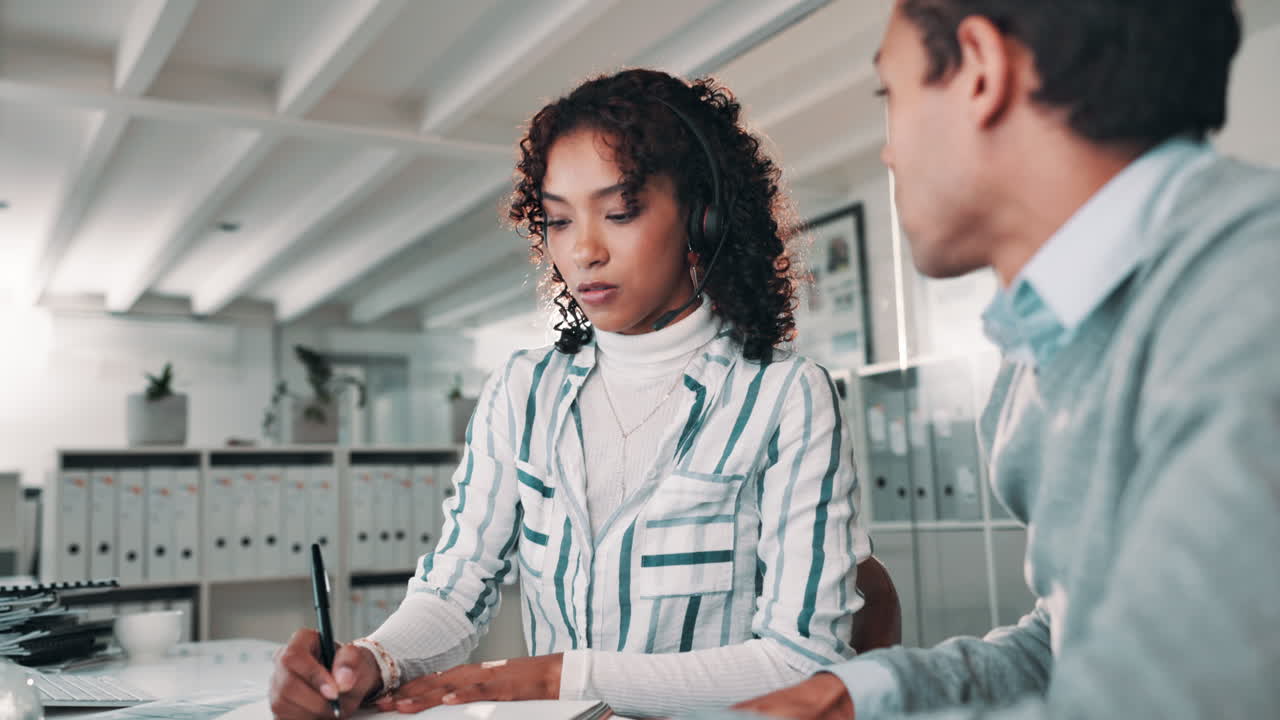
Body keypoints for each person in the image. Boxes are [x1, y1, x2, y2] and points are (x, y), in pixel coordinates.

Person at [723, 1, 1280, 718]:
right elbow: (1077, 645)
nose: (889, 152)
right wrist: (856, 695)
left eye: (889, 96)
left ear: (981, 69)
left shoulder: (1250, 296)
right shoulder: (1047, 347)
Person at [267, 68, 872, 719]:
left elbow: (802, 659)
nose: (583, 250)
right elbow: (453, 589)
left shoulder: (784, 397)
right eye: (557, 220)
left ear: (703, 216)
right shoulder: (523, 390)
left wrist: (563, 677)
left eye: (620, 212)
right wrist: (373, 660)